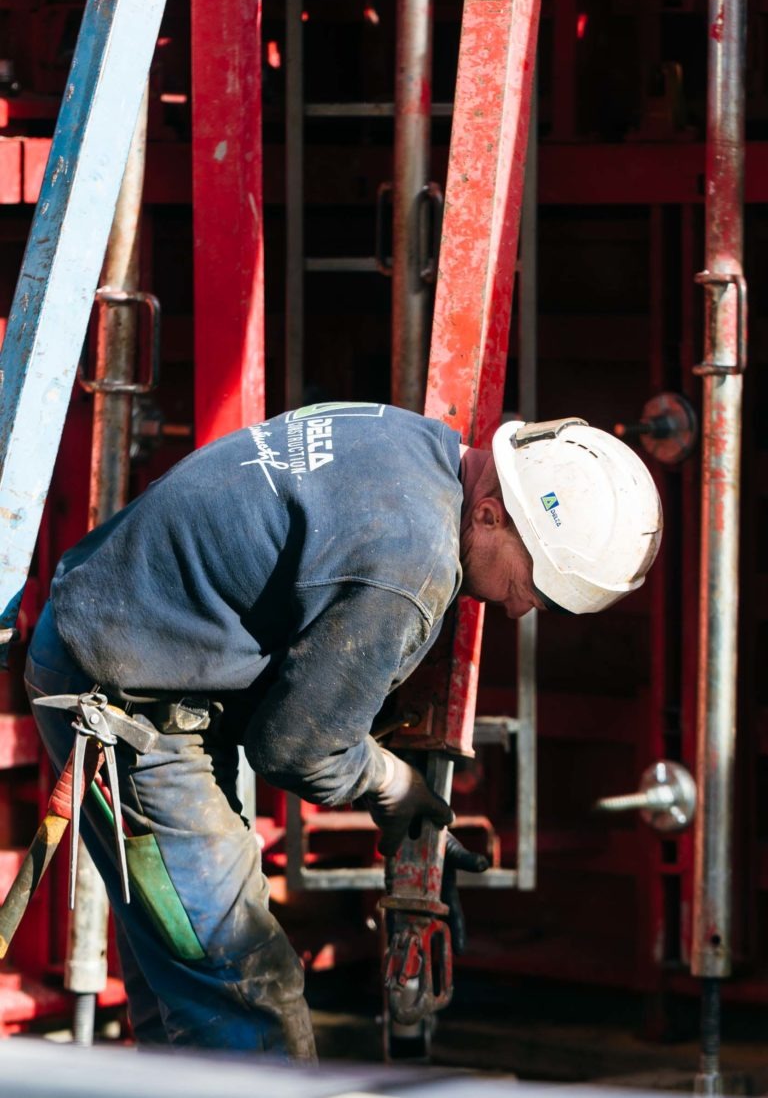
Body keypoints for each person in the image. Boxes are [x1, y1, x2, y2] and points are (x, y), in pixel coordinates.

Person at [24, 402, 662, 1061]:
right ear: (490, 513)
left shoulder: (415, 441)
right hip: (119, 702)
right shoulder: (410, 567)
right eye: (531, 584)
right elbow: (295, 748)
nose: (518, 607)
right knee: (246, 994)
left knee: (186, 1003)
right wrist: (392, 781)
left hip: (126, 647)